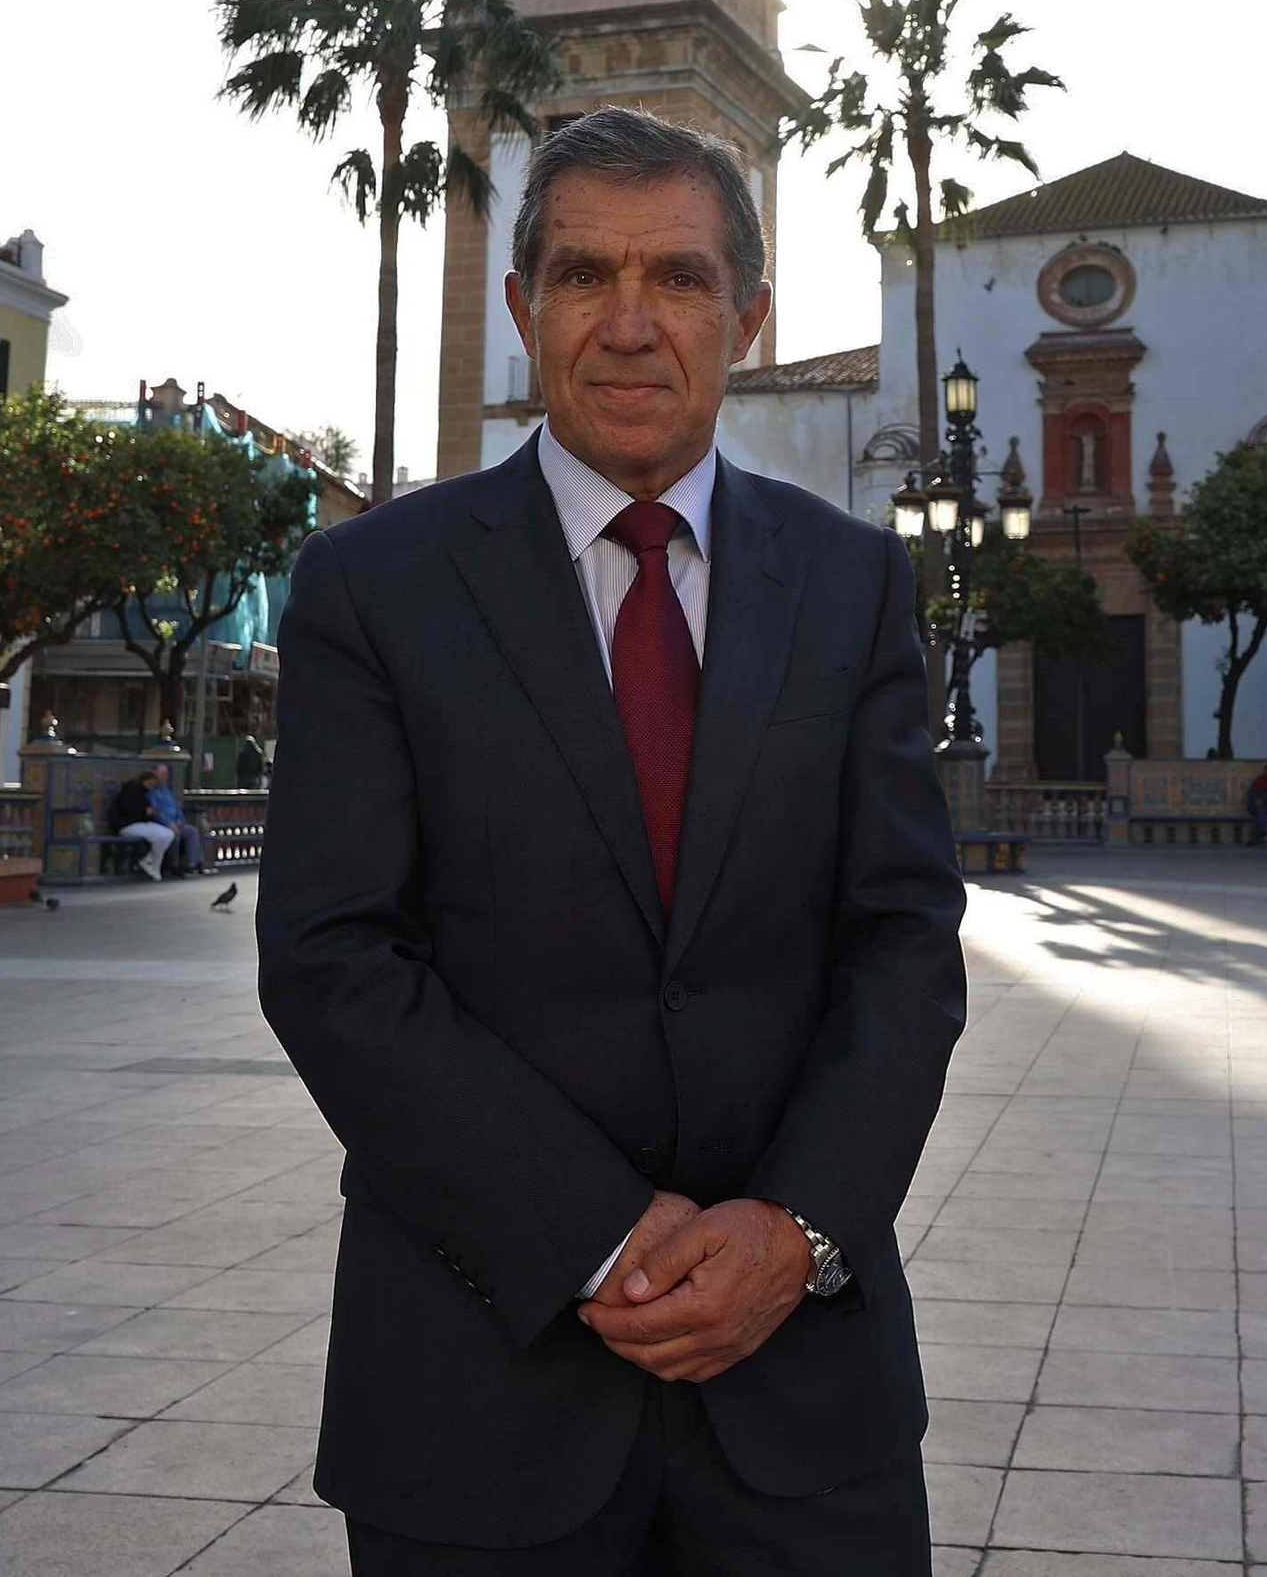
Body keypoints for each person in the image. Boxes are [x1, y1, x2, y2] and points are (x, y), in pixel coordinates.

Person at [258, 108, 966, 1575]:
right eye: (585, 274)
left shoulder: (852, 586)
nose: (632, 324)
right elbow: (334, 957)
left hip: (803, 1397)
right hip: (477, 1388)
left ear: (749, 316)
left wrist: (795, 1230)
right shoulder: (369, 587)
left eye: (682, 279)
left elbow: (901, 938)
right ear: (523, 306)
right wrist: (591, 1230)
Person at [107, 769, 173, 882]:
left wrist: (149, 813)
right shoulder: (130, 791)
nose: (151, 787)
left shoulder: (143, 793)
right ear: (145, 780)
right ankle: (153, 866)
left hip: (140, 823)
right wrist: (145, 812)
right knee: (160, 836)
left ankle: (150, 861)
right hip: (126, 825)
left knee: (169, 834)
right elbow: (129, 810)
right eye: (151, 784)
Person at [149, 763, 204, 873]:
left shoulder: (167, 791)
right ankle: (174, 865)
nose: (165, 777)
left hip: (176, 823)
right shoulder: (151, 792)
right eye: (162, 774)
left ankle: (193, 863)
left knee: (192, 831)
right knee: (174, 834)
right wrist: (169, 823)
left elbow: (176, 808)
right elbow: (155, 812)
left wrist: (180, 820)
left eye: (166, 774)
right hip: (162, 824)